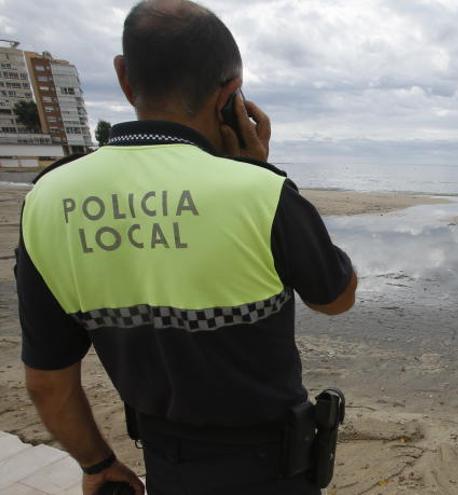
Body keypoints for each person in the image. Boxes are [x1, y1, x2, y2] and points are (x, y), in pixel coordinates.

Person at [15, 1, 357, 493]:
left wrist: (98, 465)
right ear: (231, 94)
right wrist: (255, 170)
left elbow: (48, 380)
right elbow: (336, 298)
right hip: (273, 465)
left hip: (168, 463)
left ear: (123, 77)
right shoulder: (259, 192)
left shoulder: (48, 200)